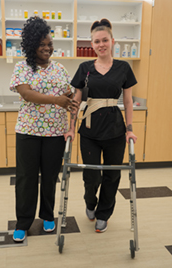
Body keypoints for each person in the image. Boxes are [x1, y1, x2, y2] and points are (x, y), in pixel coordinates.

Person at [10, 16, 79, 242]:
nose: (47, 48)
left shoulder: (59, 69)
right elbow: (27, 94)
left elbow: (67, 94)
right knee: (26, 178)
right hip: (28, 132)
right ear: (31, 45)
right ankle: (23, 222)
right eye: (42, 44)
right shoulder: (22, 67)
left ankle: (48, 215)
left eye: (49, 44)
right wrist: (56, 100)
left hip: (54, 134)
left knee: (50, 177)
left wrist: (73, 98)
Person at [65, 18, 137, 233]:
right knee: (91, 176)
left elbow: (128, 101)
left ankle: (104, 214)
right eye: (96, 41)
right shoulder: (85, 68)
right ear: (92, 44)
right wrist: (71, 127)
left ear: (112, 41)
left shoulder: (124, 68)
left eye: (105, 40)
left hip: (115, 129)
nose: (101, 44)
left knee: (112, 175)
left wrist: (130, 129)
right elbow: (75, 101)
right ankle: (90, 202)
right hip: (89, 130)